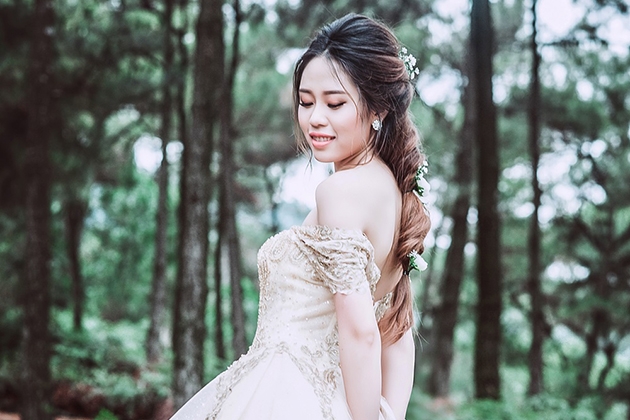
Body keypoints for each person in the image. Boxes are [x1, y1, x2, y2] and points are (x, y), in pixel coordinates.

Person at [171, 13, 430, 420]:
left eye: (335, 103)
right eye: (306, 102)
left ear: (379, 107)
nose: (314, 119)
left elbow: (363, 332)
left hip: (288, 393)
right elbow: (398, 332)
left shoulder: (340, 192)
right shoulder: (396, 195)